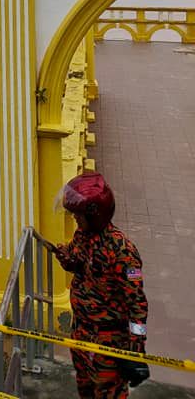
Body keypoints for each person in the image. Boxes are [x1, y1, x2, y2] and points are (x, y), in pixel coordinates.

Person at [54, 171, 148, 399]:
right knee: (85, 389)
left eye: (79, 215)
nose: (75, 219)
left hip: (108, 341)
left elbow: (138, 306)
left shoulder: (123, 251)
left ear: (94, 214)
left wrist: (135, 352)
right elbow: (79, 265)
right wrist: (65, 257)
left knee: (109, 394)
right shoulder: (82, 235)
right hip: (81, 332)